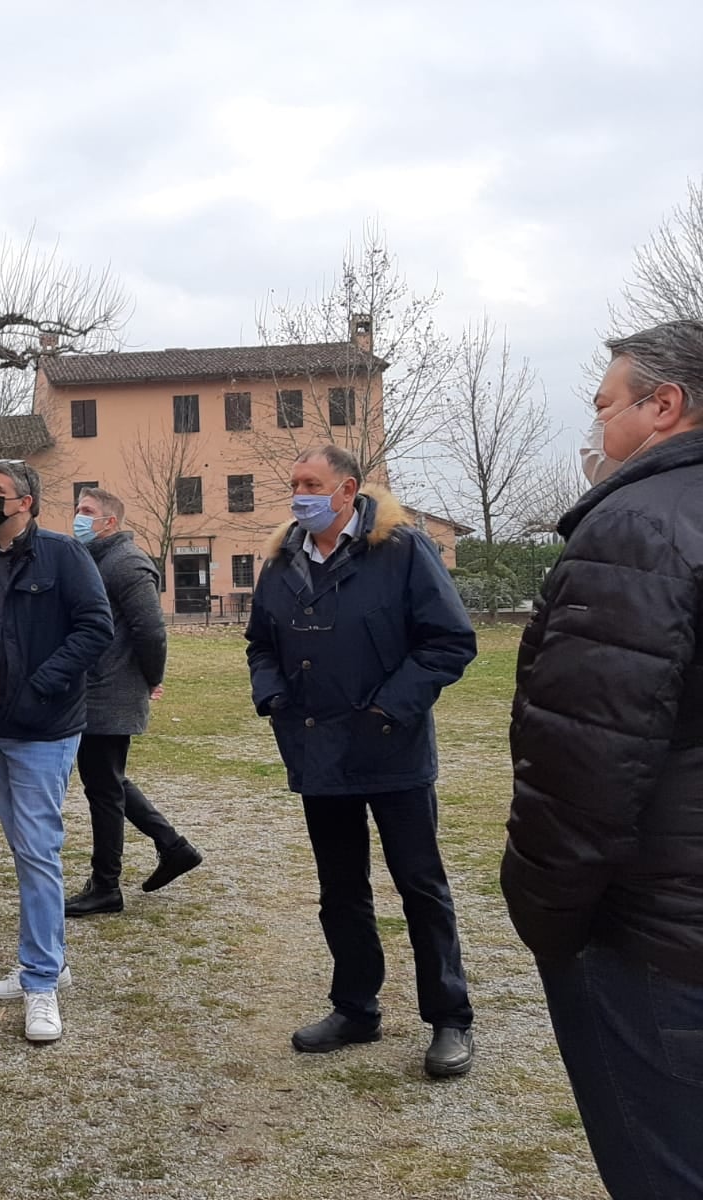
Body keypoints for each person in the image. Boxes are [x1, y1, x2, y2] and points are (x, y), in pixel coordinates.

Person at [503, 320, 703, 1199]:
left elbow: (583, 765)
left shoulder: (635, 530)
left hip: (653, 934)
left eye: (605, 408)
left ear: (665, 407)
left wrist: (549, 919)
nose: (597, 431)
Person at [245, 445, 478, 1079]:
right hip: (319, 751)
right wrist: (272, 696)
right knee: (340, 891)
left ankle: (449, 1018)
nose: (299, 494)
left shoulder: (402, 550)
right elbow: (259, 644)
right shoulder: (282, 560)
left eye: (311, 482)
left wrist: (386, 711)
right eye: (293, 482)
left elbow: (449, 642)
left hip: (391, 748)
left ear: (347, 490)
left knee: (420, 888)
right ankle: (355, 1006)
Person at [0, 459, 112, 1042]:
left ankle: (41, 981)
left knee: (39, 851)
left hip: (43, 727)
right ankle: (49, 960)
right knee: (23, 848)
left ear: (27, 503)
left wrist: (43, 682)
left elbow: (96, 628)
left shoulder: (65, 556)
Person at [65, 486, 202, 917]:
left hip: (112, 691)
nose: (78, 517)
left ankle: (106, 886)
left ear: (110, 522)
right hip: (93, 690)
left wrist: (152, 678)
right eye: (77, 510)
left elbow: (151, 631)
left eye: (87, 511)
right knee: (107, 780)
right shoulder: (95, 561)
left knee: (104, 787)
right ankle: (173, 847)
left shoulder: (128, 563)